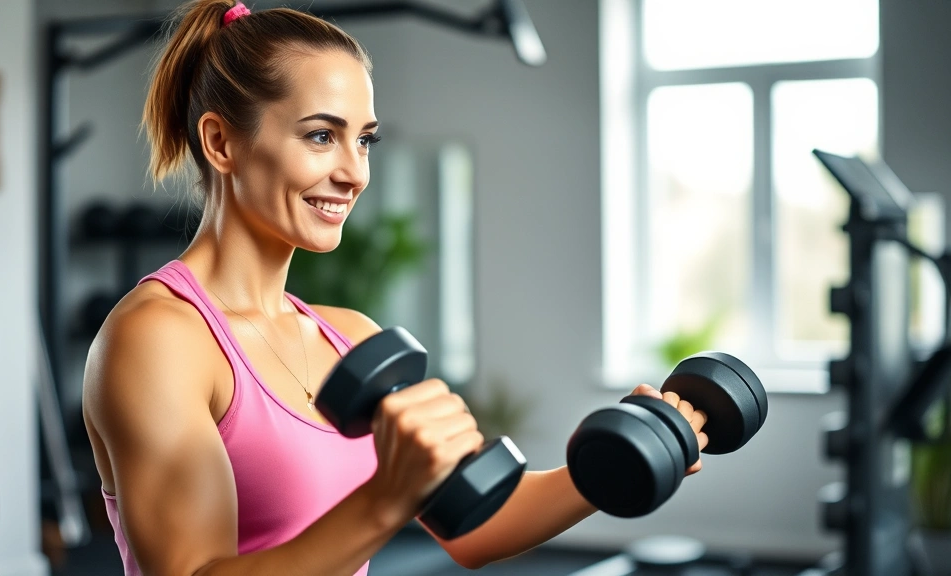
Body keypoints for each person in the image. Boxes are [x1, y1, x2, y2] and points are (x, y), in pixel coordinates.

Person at [81, 2, 710, 575]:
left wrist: (620, 457)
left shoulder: (349, 337)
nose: (355, 172)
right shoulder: (159, 338)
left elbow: (474, 527)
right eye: (321, 136)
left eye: (365, 140)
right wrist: (386, 501)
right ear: (221, 142)